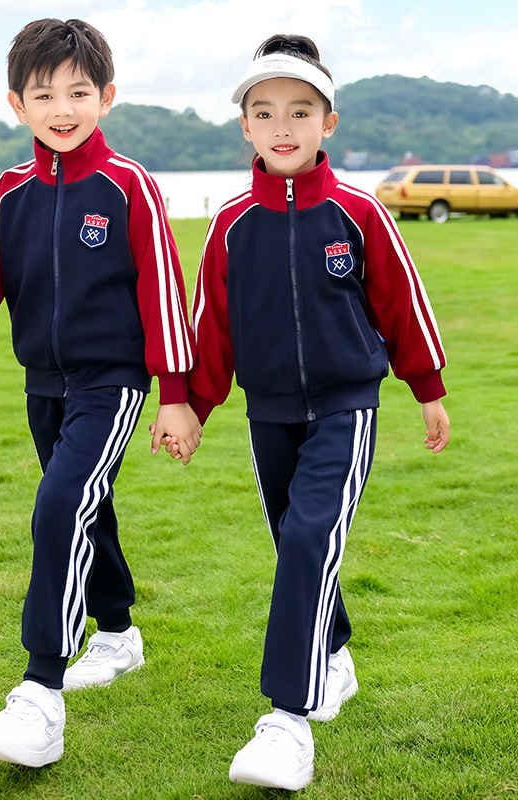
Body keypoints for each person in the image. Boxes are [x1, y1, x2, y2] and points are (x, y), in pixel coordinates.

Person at [0, 17, 201, 769]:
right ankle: (120, 634)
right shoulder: (11, 194)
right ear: (17, 104)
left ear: (108, 97)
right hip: (45, 384)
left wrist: (175, 393)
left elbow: (164, 288)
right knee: (86, 510)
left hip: (114, 381)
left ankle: (39, 694)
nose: (63, 107)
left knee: (61, 503)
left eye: (79, 91)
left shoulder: (127, 185)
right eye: (44, 93)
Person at [177, 34, 450, 791]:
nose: (283, 126)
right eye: (265, 113)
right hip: (268, 412)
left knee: (307, 537)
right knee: (295, 542)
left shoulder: (359, 213)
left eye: (301, 111)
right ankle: (333, 653)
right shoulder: (231, 225)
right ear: (246, 129)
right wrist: (192, 405)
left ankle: (286, 722)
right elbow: (213, 326)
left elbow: (403, 305)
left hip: (346, 403)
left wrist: (426, 389)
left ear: (328, 122)